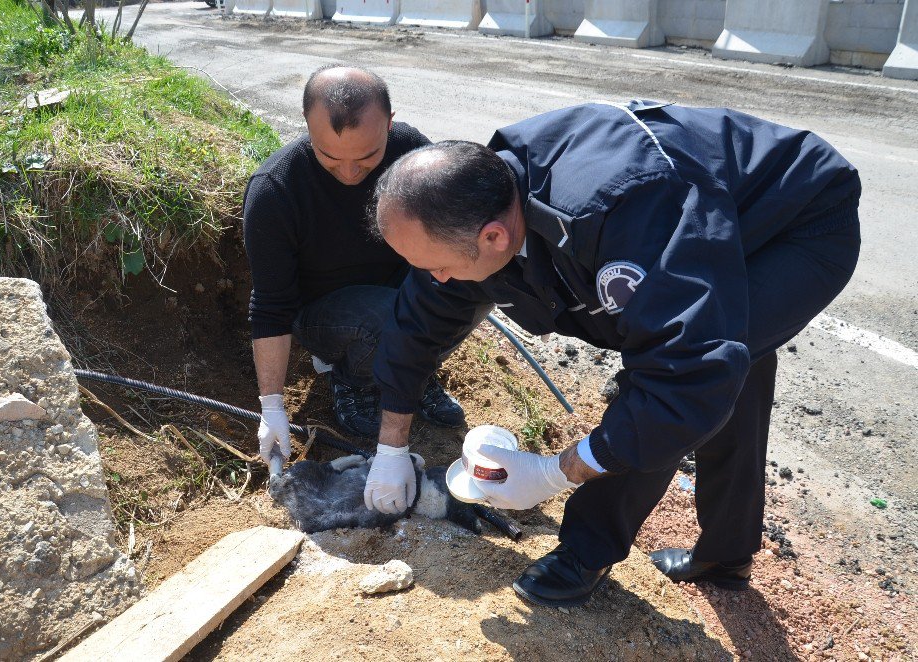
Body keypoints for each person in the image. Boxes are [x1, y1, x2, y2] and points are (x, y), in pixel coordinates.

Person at [364, 101, 861, 607]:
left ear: (493, 237)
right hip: (706, 213)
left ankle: (586, 551)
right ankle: (728, 554)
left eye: (440, 267)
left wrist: (556, 471)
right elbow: (416, 324)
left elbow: (679, 376)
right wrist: (391, 448)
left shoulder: (618, 213)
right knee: (734, 364)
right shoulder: (471, 205)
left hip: (790, 224)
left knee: (684, 375)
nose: (436, 277)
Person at [243, 65, 469, 464]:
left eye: (367, 157)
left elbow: (451, 229)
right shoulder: (276, 190)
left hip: (397, 284)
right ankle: (354, 381)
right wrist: (272, 405)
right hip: (326, 312)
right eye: (329, 157)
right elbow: (271, 306)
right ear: (307, 126)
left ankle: (418, 371)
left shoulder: (411, 151)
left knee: (472, 288)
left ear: (390, 124)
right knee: (388, 319)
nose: (349, 172)